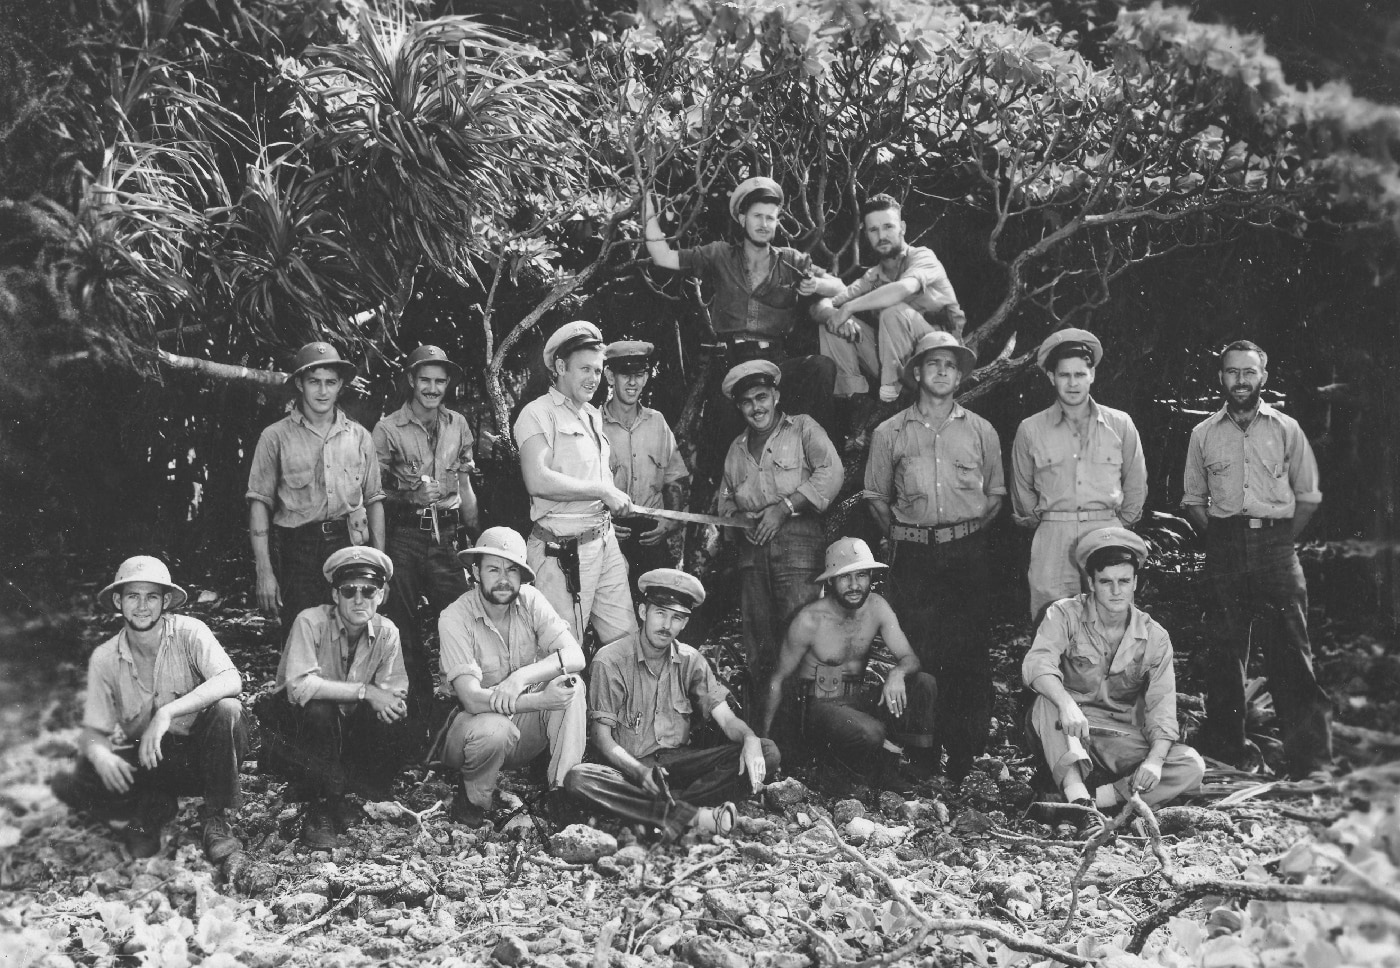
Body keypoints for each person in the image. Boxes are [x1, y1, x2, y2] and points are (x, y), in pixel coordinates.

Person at [1181, 340, 1332, 778]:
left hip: (1276, 549)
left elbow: (1307, 494)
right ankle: (1230, 755)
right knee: (1225, 654)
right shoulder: (1203, 434)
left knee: (1291, 653)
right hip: (1224, 547)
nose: (1241, 380)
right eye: (1232, 372)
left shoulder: (1286, 429)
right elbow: (1193, 500)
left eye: (1249, 372)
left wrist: (1279, 541)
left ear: (1263, 377)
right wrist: (1223, 541)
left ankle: (1311, 763)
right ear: (1221, 377)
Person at [864, 332, 1004, 783]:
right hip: (914, 557)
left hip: (967, 554)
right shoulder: (890, 432)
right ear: (917, 373)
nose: (942, 371)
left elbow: (996, 496)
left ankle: (965, 756)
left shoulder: (982, 430)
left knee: (969, 653)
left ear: (960, 376)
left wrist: (961, 536)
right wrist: (910, 537)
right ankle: (922, 755)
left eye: (951, 365)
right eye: (933, 363)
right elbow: (876, 498)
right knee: (919, 651)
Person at [51, 557, 247, 864]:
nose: (142, 606)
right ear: (118, 600)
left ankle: (216, 817)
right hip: (150, 758)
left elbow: (231, 679)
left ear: (165, 600)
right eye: (132, 596)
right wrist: (101, 756)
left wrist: (166, 713)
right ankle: (152, 805)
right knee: (79, 773)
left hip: (202, 756)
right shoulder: (104, 658)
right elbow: (94, 730)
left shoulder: (190, 632)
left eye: (151, 596)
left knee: (228, 710)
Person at [564, 569, 779, 839]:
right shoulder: (611, 660)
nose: (666, 625)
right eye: (660, 613)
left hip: (681, 765)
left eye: (676, 617)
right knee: (579, 779)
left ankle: (650, 812)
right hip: (632, 768)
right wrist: (641, 772)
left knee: (767, 751)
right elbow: (602, 739)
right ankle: (694, 816)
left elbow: (725, 718)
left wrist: (749, 738)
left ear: (684, 624)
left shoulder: (691, 660)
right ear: (643, 612)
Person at [644, 178, 837, 478]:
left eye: (770, 218)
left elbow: (837, 287)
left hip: (775, 361)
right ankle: (710, 509)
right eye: (758, 216)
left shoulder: (791, 260)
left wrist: (817, 285)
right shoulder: (720, 254)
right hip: (731, 360)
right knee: (718, 439)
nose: (764, 223)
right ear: (742, 218)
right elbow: (663, 257)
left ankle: (813, 457)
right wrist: (647, 207)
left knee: (821, 368)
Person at [1022, 528, 1204, 823]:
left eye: (1123, 581)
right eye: (1106, 582)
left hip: (1115, 736)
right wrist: (1067, 704)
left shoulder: (1154, 637)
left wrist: (1156, 762)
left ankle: (1096, 800)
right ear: (1091, 583)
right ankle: (1080, 802)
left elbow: (1162, 709)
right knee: (1048, 699)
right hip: (1062, 727)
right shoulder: (1064, 614)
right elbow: (1037, 664)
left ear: (1135, 583)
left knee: (1190, 765)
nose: (1116, 591)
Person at [263, 547, 415, 849]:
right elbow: (300, 687)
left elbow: (394, 690)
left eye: (368, 590)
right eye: (349, 591)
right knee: (319, 708)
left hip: (345, 729)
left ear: (381, 595)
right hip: (297, 729)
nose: (359, 600)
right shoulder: (310, 622)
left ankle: (357, 792)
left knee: (393, 719)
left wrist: (391, 704)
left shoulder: (388, 632)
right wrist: (366, 692)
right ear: (335, 596)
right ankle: (321, 806)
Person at [435, 527, 587, 826]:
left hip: (521, 728)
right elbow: (471, 698)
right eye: (493, 569)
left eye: (512, 570)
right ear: (475, 572)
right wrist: (539, 700)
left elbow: (575, 657)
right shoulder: (454, 616)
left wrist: (520, 678)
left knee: (572, 686)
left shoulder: (530, 600)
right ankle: (473, 798)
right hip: (471, 730)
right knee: (495, 729)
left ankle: (562, 793)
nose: (504, 579)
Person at [760, 538, 938, 786]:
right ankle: (852, 769)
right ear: (831, 580)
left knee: (923, 684)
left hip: (858, 697)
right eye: (845, 578)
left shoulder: (877, 606)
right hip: (820, 706)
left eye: (862, 575)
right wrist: (765, 740)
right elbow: (778, 679)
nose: (855, 585)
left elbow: (910, 658)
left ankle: (914, 770)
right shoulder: (810, 620)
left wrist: (897, 673)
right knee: (870, 732)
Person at [715, 360, 843, 703]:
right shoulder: (736, 450)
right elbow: (724, 499)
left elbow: (831, 472)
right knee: (760, 640)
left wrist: (785, 508)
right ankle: (770, 732)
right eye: (747, 402)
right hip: (753, 550)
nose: (756, 407)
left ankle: (812, 724)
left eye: (762, 397)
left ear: (776, 396)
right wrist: (738, 520)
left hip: (798, 543)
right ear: (740, 407)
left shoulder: (802, 429)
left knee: (801, 632)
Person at [514, 321, 637, 652]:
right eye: (585, 369)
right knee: (560, 654)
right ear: (559, 367)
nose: (593, 379)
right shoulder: (537, 414)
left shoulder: (592, 416)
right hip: (560, 552)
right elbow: (537, 479)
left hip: (603, 543)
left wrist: (610, 524)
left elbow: (598, 476)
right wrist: (601, 491)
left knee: (625, 645)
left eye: (598, 371)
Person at [248, 342, 385, 631]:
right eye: (314, 382)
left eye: (330, 383)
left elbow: (374, 500)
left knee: (352, 632)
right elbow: (259, 502)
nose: (323, 392)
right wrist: (264, 571)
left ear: (340, 387)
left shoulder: (359, 437)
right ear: (300, 383)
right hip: (298, 549)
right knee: (302, 634)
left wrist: (379, 562)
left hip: (350, 544)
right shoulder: (275, 437)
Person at [1011, 328, 1147, 621]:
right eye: (1064, 375)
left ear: (1092, 375)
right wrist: (1050, 523)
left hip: (1107, 533)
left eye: (1080, 374)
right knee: (1051, 623)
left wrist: (1115, 526)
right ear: (1051, 378)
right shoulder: (1030, 429)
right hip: (1053, 538)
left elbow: (1136, 485)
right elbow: (1022, 494)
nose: (1073, 383)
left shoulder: (1120, 424)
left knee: (1109, 623)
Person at [372, 344, 480, 710]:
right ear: (411, 381)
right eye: (425, 380)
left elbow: (465, 488)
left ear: (447, 384)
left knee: (460, 616)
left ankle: (462, 702)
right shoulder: (388, 429)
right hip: (404, 537)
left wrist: (476, 537)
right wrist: (410, 498)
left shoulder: (458, 425)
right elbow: (372, 495)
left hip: (447, 536)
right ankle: (416, 708)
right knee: (403, 624)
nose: (432, 389)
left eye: (439, 381)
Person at [810, 194, 967, 404]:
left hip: (940, 362)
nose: (881, 235)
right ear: (866, 234)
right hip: (900, 364)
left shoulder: (922, 257)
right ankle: (852, 399)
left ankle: (892, 392)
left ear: (902, 227)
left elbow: (901, 289)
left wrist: (848, 308)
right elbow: (822, 306)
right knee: (831, 325)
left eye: (888, 227)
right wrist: (835, 314)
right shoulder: (873, 276)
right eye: (874, 230)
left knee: (893, 311)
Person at [600, 340, 690, 583]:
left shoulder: (657, 422)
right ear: (610, 376)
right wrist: (602, 525)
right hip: (611, 534)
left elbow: (675, 478)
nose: (633, 382)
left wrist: (669, 521)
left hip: (652, 533)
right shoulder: (593, 425)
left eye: (639, 375)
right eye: (625, 374)